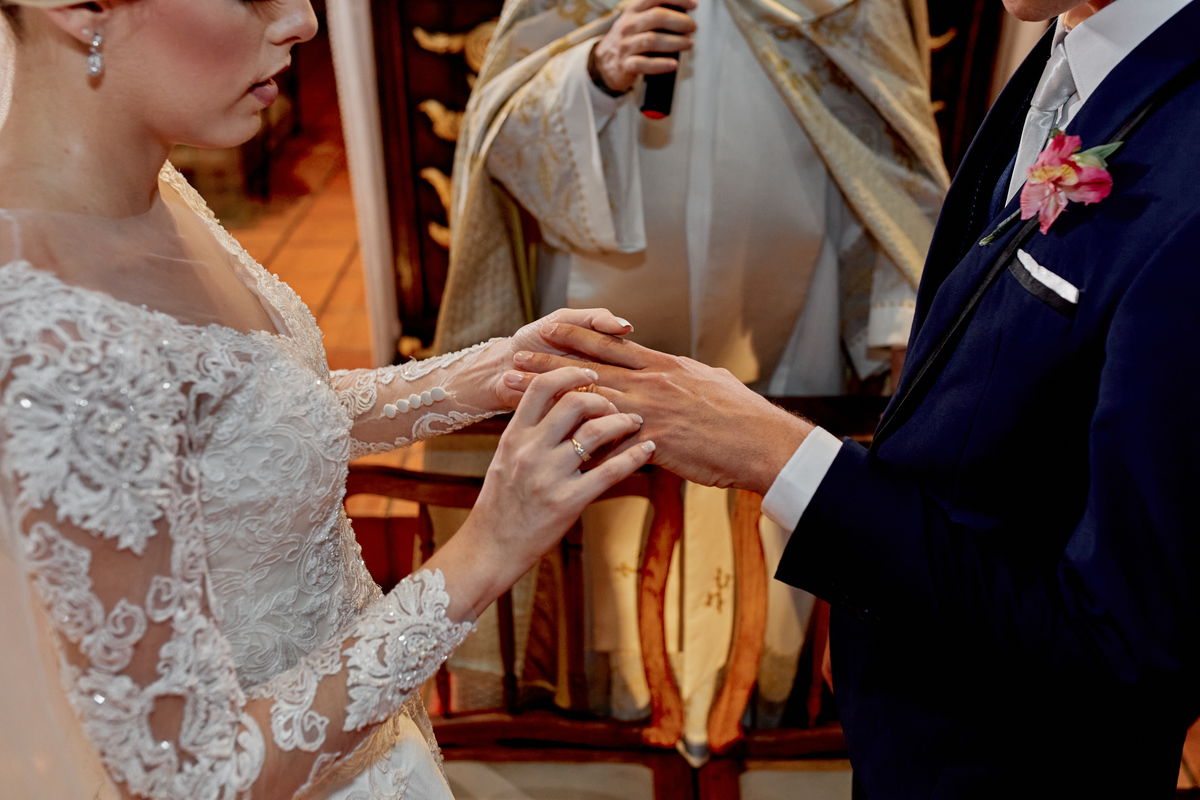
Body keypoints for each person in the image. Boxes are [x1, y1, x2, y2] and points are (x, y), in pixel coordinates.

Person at [511, 0, 1200, 794]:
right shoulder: (1072, 41)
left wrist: (780, 455)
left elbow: (1125, 648)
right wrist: (876, 604)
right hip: (929, 698)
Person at [0, 1, 653, 798]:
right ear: (78, 8)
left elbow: (256, 423)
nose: (304, 20)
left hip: (363, 744)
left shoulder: (149, 187)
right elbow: (194, 780)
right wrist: (488, 551)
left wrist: (485, 374)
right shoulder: (52, 338)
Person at [431, 0, 948, 750]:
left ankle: (756, 724)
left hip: (795, 330)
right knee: (607, 559)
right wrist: (595, 77)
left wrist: (904, 329)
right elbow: (498, 136)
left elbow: (891, 158)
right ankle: (621, 727)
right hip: (601, 320)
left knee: (773, 554)